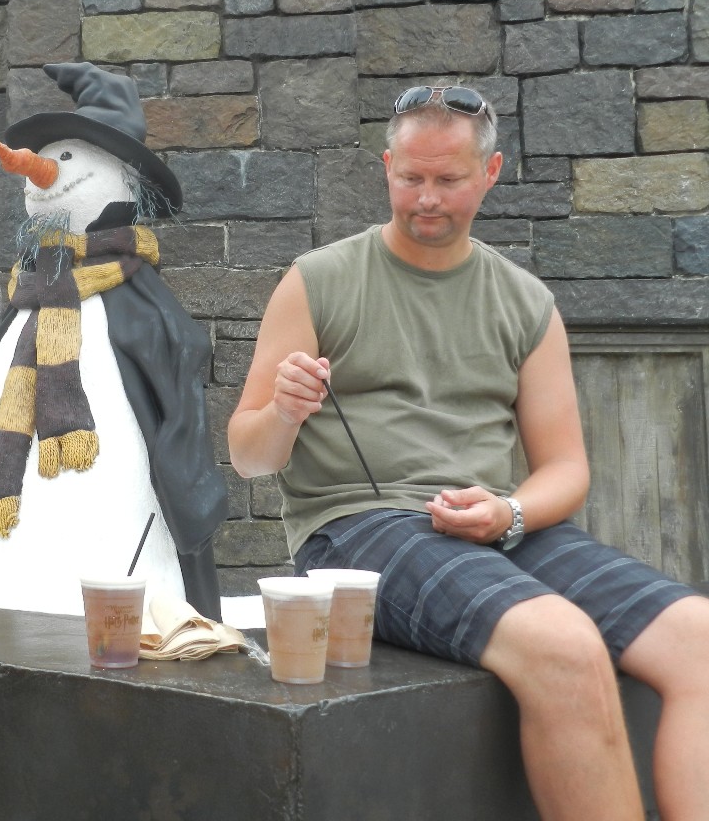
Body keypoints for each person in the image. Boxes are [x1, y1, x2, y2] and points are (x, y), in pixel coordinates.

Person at [228, 85, 709, 821]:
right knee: (563, 645)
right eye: (410, 177)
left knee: (698, 639)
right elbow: (249, 457)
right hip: (358, 529)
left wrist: (508, 511)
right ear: (386, 168)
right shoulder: (318, 280)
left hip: (495, 525)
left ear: (490, 173)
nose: (426, 198)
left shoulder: (525, 301)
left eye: (448, 179)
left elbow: (566, 471)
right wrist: (284, 412)